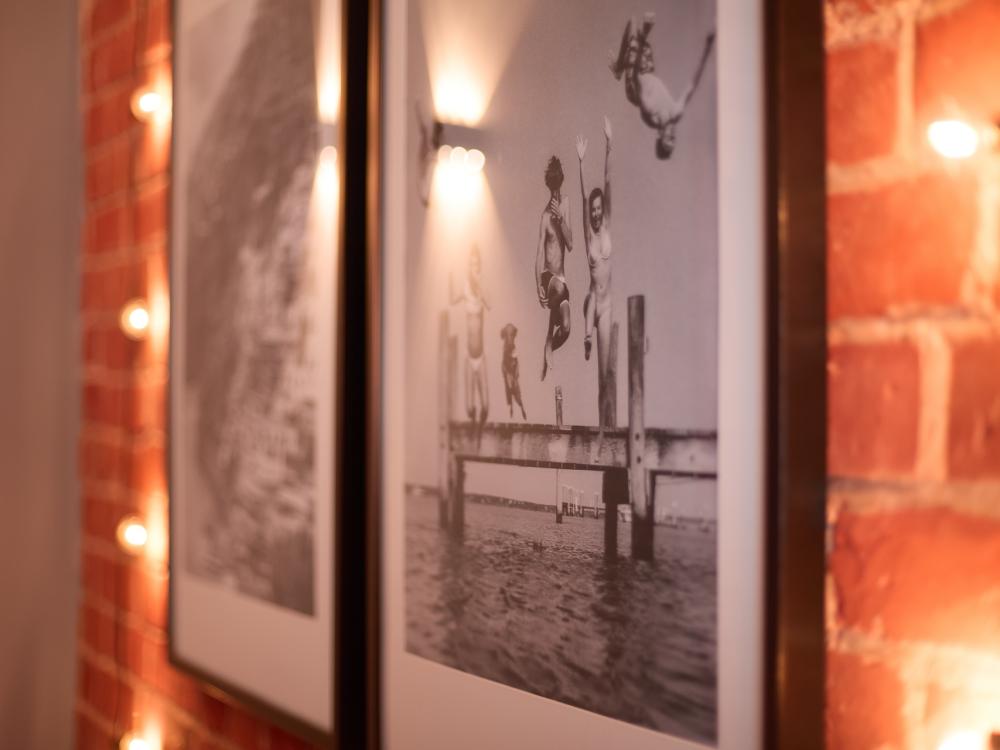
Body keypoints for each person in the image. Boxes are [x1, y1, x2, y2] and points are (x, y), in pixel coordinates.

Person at [609, 13, 715, 160]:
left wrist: (644, 35)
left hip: (634, 86)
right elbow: (692, 85)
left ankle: (619, 67)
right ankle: (620, 66)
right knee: (637, 30)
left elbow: (635, 76)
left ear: (659, 135)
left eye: (668, 139)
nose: (673, 136)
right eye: (674, 140)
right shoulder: (676, 112)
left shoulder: (650, 110)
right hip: (648, 71)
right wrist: (707, 50)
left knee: (632, 23)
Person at [577, 116, 615, 428]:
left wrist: (609, 146)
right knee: (589, 301)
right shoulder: (589, 234)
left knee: (606, 372)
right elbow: (581, 198)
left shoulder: (608, 226)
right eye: (593, 209)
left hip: (608, 304)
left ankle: (607, 423)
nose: (596, 212)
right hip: (592, 301)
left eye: (599, 208)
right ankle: (586, 335)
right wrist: (580, 163)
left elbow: (608, 181)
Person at [535, 156, 573, 380]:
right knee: (558, 288)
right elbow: (539, 255)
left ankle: (549, 349)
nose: (556, 196)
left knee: (567, 329)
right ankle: (549, 338)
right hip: (548, 279)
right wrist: (537, 287)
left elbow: (571, 243)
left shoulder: (565, 207)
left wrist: (561, 219)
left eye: (558, 191)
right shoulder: (544, 217)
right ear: (550, 189)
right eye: (553, 192)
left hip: (562, 281)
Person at [450, 245, 490, 429]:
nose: (474, 268)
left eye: (476, 264)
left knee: (485, 407)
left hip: (480, 356)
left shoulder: (481, 286)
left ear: (479, 266)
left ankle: (480, 427)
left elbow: (490, 303)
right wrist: (450, 274)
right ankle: (474, 430)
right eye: (471, 264)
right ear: (468, 266)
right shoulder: (465, 287)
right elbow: (452, 299)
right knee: (469, 408)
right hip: (469, 355)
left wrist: (480, 286)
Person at [500, 323, 527, 420]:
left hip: (513, 370)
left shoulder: (513, 347)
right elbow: (504, 361)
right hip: (507, 371)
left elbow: (516, 360)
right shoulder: (505, 347)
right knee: (509, 388)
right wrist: (506, 371)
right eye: (507, 334)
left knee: (515, 390)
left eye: (511, 335)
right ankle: (512, 407)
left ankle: (521, 408)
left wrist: (515, 372)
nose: (509, 337)